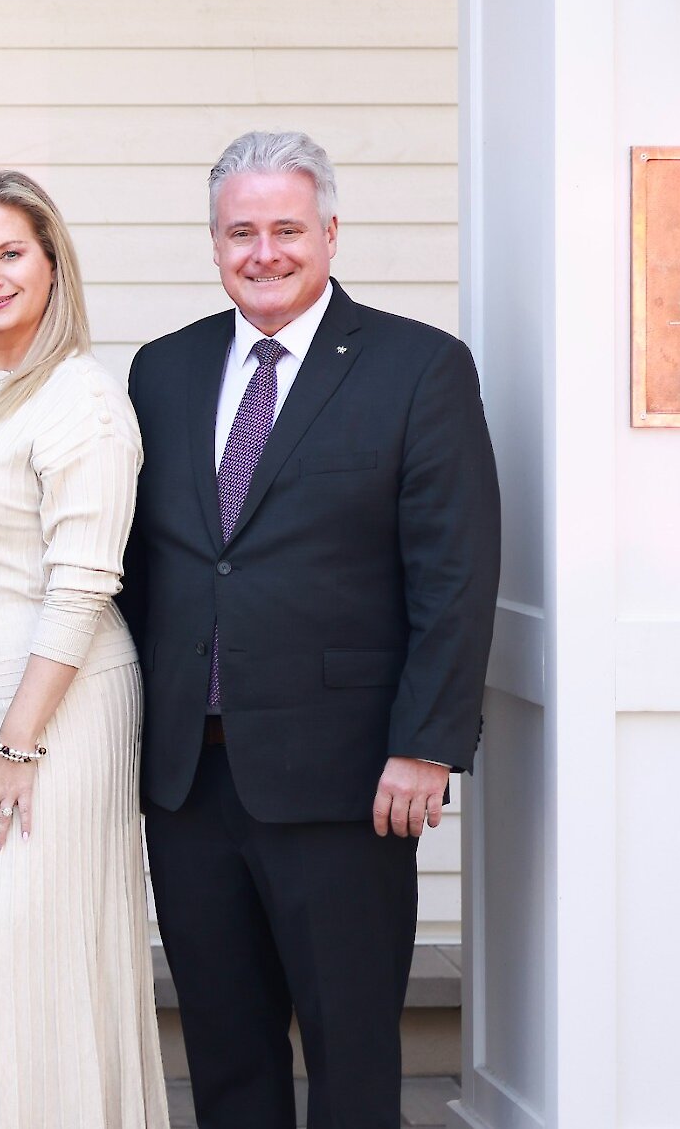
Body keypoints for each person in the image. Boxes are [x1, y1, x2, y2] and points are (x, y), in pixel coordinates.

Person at [121, 131, 501, 1127]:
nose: (264, 250)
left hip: (347, 782)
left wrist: (427, 741)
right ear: (213, 241)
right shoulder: (162, 371)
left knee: (353, 1052)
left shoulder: (419, 368)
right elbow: (141, 573)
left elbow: (455, 574)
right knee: (225, 1048)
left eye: (286, 227)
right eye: (240, 230)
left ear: (330, 232)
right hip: (189, 783)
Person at [0, 171, 167, 1128]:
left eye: (10, 253)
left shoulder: (81, 398)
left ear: (53, 264)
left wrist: (18, 748)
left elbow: (85, 584)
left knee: (20, 974)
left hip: (47, 730)